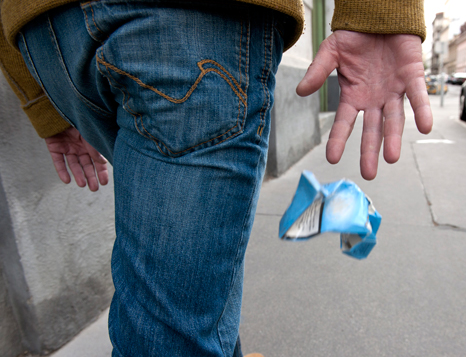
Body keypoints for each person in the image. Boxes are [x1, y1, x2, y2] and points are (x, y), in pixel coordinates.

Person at [0, 0, 433, 356]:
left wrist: (37, 96)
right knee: (170, 333)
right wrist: (378, 14)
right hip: (195, 29)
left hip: (47, 36)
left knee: (190, 288)